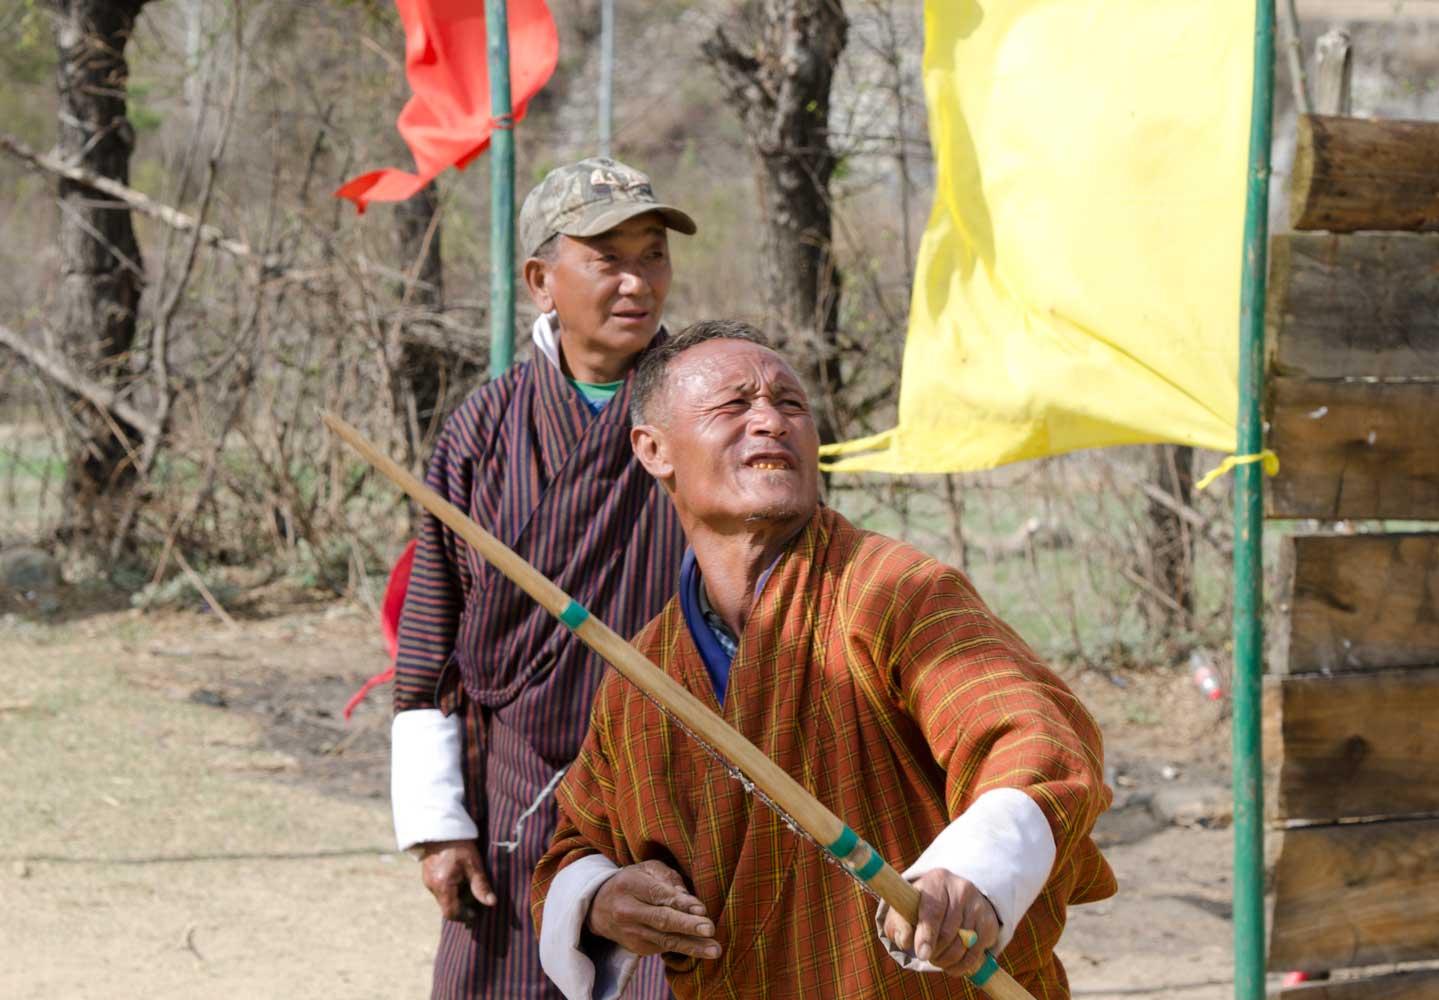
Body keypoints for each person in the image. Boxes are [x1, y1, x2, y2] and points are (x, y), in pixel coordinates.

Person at [530, 321, 1117, 1000]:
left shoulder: (895, 591)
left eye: (791, 405)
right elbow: (574, 846)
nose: (770, 422)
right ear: (653, 448)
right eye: (734, 405)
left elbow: (1031, 736)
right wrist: (604, 899)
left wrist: (972, 874)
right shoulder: (642, 678)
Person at [391, 157, 696, 999]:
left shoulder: (706, 413)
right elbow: (427, 648)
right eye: (608, 259)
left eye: (654, 255)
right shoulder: (482, 431)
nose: (638, 281)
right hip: (515, 803)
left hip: (676, 789)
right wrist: (436, 826)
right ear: (541, 281)